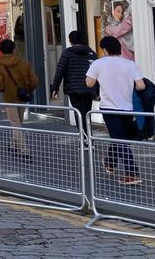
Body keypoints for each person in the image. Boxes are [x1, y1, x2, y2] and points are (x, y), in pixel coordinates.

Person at [86, 35, 145, 185]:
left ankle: (132, 174)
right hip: (127, 108)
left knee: (120, 139)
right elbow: (141, 86)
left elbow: (89, 83)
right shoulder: (130, 64)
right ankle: (110, 163)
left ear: (105, 50)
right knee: (119, 136)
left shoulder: (98, 64)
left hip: (109, 107)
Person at [0, 39, 38, 158]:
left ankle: (24, 149)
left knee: (15, 123)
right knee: (18, 122)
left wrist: (5, 89)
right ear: (14, 49)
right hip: (22, 97)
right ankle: (14, 145)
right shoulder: (24, 63)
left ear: (1, 51)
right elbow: (34, 81)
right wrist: (27, 90)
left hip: (9, 98)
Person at [50, 30, 98, 136]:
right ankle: (88, 137)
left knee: (79, 113)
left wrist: (55, 88)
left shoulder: (67, 53)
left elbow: (60, 71)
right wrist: (97, 89)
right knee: (87, 112)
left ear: (70, 41)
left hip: (74, 89)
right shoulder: (91, 53)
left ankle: (84, 137)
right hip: (89, 89)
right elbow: (97, 71)